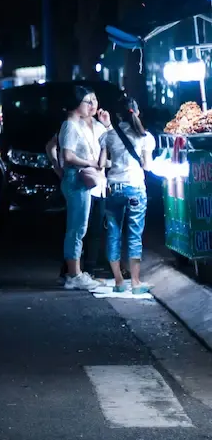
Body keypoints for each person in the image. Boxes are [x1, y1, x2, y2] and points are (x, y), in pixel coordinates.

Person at [54, 86, 108, 291]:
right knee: (77, 229)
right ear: (77, 104)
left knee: (79, 228)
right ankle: (74, 275)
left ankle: (74, 272)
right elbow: (67, 156)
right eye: (88, 101)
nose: (92, 105)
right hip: (76, 180)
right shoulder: (70, 125)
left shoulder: (77, 125)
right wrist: (90, 163)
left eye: (94, 100)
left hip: (80, 181)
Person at [100, 97, 155, 295]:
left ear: (117, 115)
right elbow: (147, 166)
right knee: (134, 236)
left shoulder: (108, 136)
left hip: (114, 188)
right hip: (135, 188)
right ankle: (136, 282)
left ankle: (118, 281)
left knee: (113, 233)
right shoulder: (145, 137)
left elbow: (102, 163)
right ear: (136, 112)